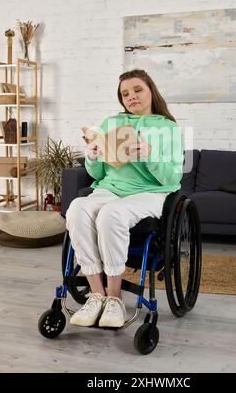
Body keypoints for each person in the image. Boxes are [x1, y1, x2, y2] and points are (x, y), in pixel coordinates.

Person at [66, 69, 184, 328]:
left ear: (151, 90)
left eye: (137, 90)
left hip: (150, 193)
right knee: (77, 208)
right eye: (125, 93)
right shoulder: (111, 123)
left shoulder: (168, 128)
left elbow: (172, 178)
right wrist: (93, 156)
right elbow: (97, 173)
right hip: (110, 189)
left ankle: (115, 298)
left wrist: (150, 154)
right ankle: (97, 295)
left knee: (112, 213)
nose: (131, 96)